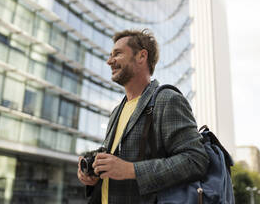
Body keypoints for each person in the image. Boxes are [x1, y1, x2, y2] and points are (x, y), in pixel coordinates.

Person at [77, 29, 209, 204]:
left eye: (117, 54)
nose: (109, 61)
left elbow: (195, 160)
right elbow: (116, 165)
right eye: (110, 55)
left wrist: (132, 170)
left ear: (141, 56)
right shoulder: (117, 111)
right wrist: (93, 173)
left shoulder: (167, 100)